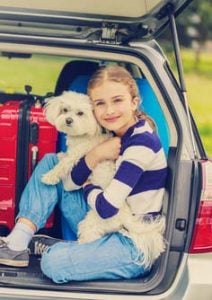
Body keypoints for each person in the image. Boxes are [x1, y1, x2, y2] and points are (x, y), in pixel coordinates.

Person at [0, 65, 167, 283]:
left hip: (131, 243)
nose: (109, 111)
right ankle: (18, 242)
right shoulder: (112, 136)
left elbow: (107, 209)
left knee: (52, 263)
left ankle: (64, 251)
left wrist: (88, 185)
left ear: (134, 102)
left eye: (117, 100)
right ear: (93, 109)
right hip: (103, 221)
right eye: (100, 104)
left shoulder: (141, 144)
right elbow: (69, 184)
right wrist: (96, 155)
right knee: (53, 163)